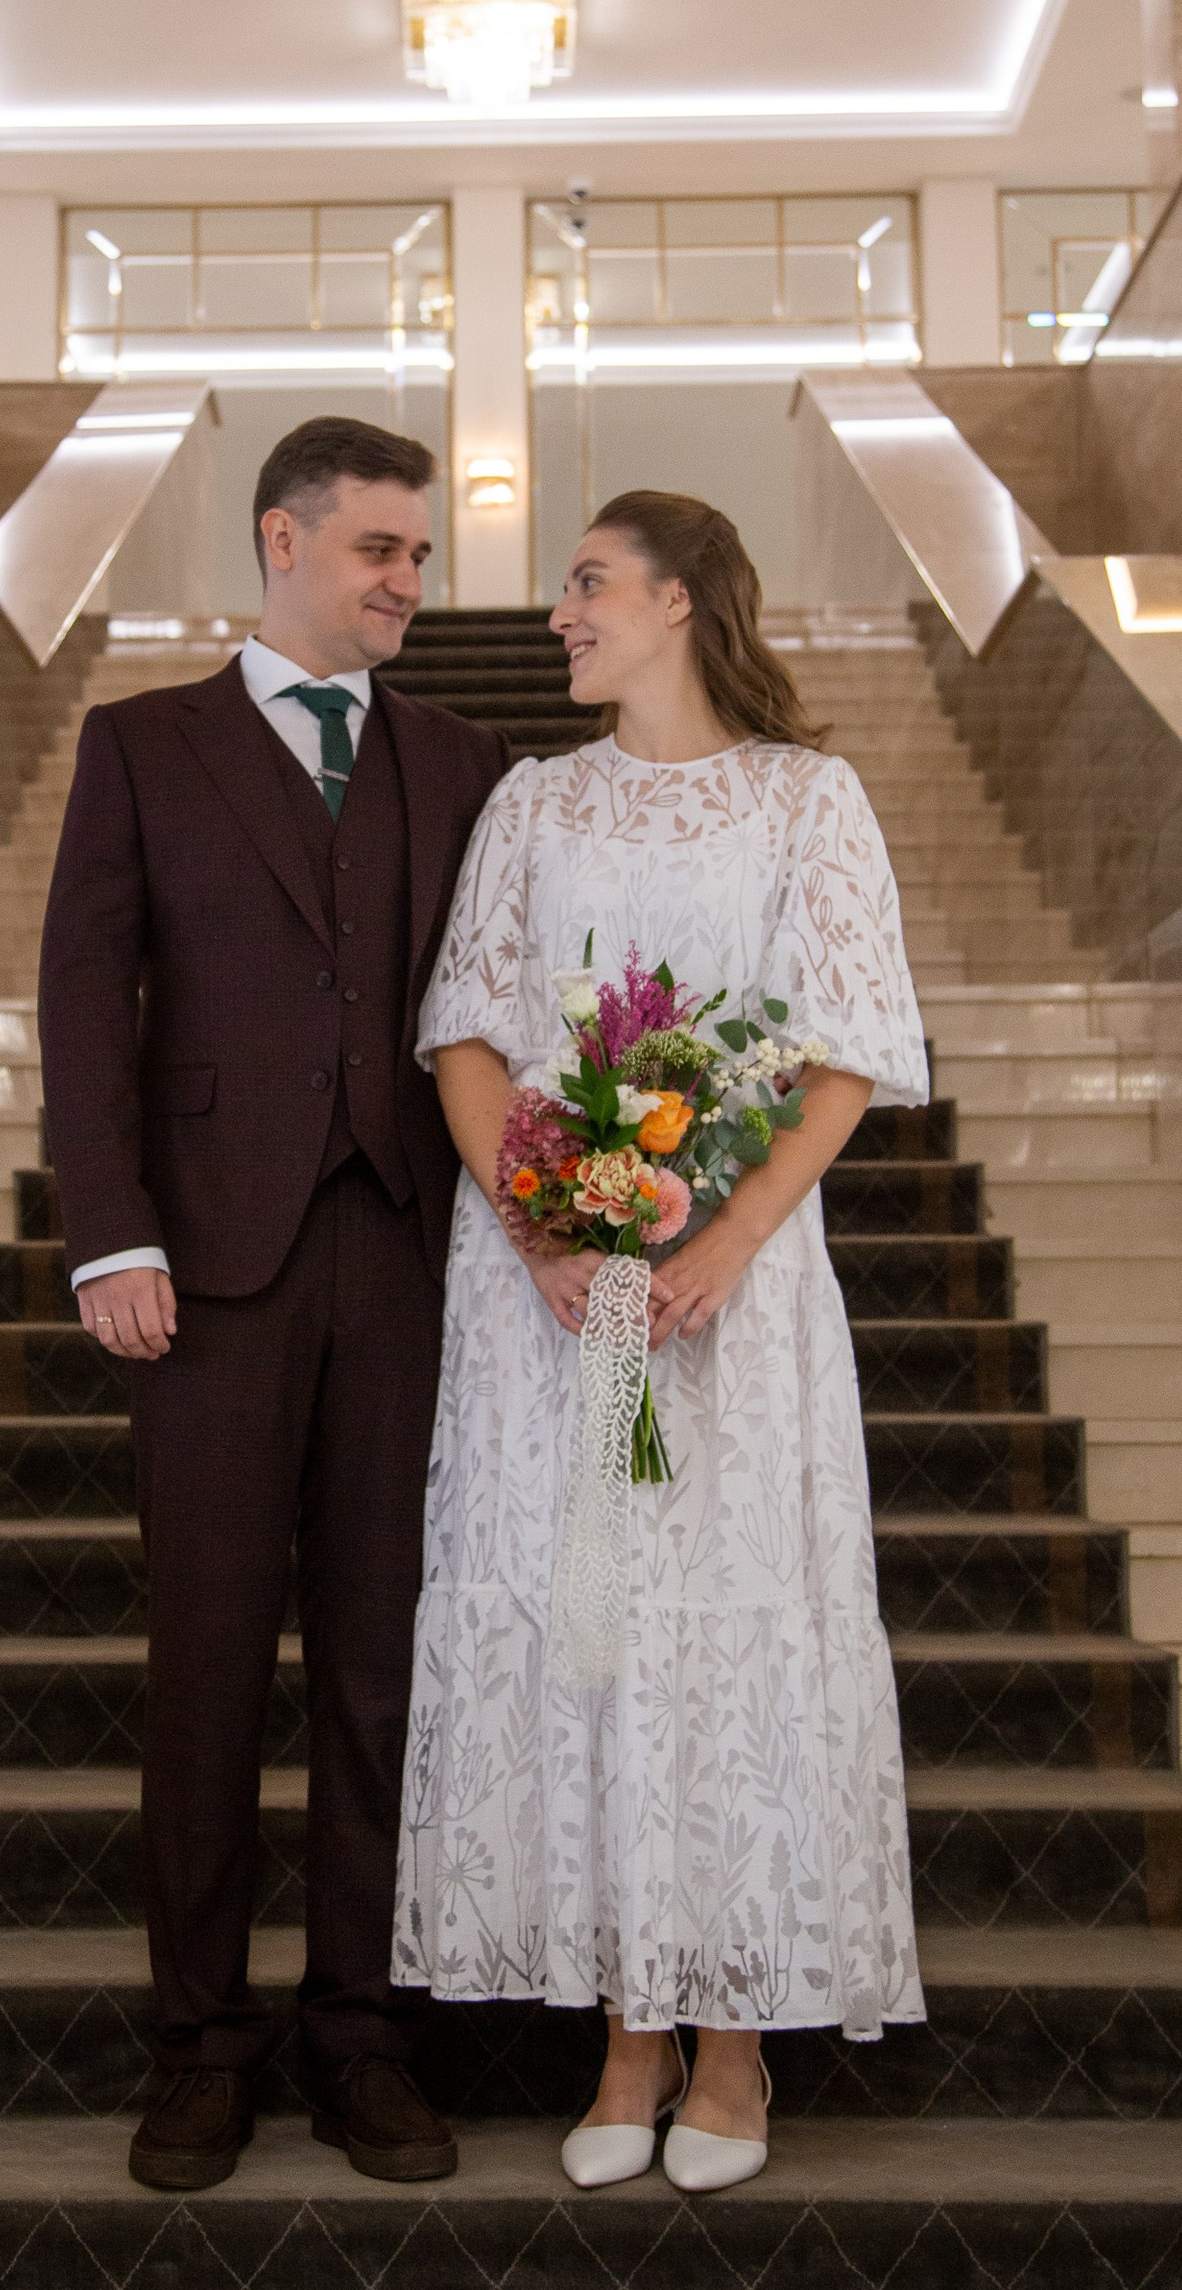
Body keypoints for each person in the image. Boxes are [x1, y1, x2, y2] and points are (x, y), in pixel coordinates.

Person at [394, 489, 926, 2194]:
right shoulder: (532, 802)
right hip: (556, 1298)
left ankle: (739, 2041)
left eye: (589, 583)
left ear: (684, 599)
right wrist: (542, 1226)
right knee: (597, 1619)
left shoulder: (806, 798)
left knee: (727, 1621)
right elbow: (467, 1033)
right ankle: (630, 2030)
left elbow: (843, 1045)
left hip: (730, 1296)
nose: (560, 612)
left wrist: (733, 1234)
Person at [38, 416, 509, 2194]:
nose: (409, 582)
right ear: (283, 540)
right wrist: (112, 1235)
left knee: (382, 1674)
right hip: (207, 1272)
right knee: (211, 1671)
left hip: (406, 1256)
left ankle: (361, 2037)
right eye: (382, 549)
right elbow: (84, 995)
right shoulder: (141, 744)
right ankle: (200, 2048)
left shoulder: (465, 759)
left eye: (421, 555)